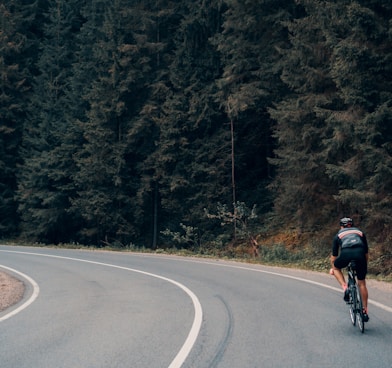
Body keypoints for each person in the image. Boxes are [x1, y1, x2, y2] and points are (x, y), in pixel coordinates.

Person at [330, 217, 369, 322]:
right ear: (352, 225)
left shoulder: (338, 235)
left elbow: (334, 256)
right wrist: (364, 264)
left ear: (341, 226)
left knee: (336, 267)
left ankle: (345, 287)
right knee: (362, 284)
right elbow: (366, 253)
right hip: (360, 254)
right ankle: (365, 310)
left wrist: (332, 268)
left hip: (346, 254)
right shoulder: (360, 232)